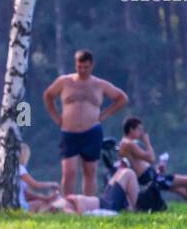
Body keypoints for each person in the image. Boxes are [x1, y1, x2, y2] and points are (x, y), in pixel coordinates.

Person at [43, 49, 128, 197]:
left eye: (86, 67)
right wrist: (56, 117)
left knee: (90, 170)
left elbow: (122, 98)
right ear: (75, 65)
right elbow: (48, 95)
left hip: (92, 131)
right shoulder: (65, 81)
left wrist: (105, 114)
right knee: (69, 171)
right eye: (79, 66)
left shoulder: (99, 84)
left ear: (91, 65)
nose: (82, 70)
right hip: (69, 132)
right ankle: (68, 205)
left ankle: (88, 206)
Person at [118, 116, 187, 202]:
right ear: (132, 129)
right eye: (139, 129)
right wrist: (147, 142)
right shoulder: (128, 144)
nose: (142, 133)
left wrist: (158, 168)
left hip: (152, 176)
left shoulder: (126, 143)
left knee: (181, 190)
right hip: (151, 178)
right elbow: (151, 158)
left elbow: (141, 162)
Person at [0, 143, 60, 212]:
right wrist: (53, 184)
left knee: (41, 203)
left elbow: (25, 193)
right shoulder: (18, 168)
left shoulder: (4, 169)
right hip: (0, 208)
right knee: (41, 205)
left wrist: (46, 198)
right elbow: (35, 185)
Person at [32, 164, 140, 214]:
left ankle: (130, 207)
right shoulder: (59, 209)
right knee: (128, 173)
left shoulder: (57, 204)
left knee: (120, 171)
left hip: (103, 199)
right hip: (106, 206)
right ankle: (137, 210)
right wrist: (76, 201)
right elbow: (80, 216)